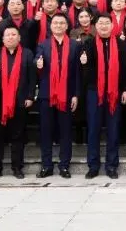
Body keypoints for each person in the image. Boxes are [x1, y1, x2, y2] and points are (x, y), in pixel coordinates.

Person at [82, 14, 126, 179]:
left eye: (106, 23)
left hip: (115, 92)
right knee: (93, 129)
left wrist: (125, 90)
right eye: (100, 23)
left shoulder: (121, 44)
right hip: (94, 92)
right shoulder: (88, 43)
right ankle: (93, 166)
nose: (103, 26)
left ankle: (111, 166)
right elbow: (84, 70)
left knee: (113, 129)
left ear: (112, 25)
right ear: (95, 26)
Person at [0, 25, 36, 178]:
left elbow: (32, 77)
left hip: (19, 100)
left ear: (19, 38)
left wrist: (30, 96)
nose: (10, 37)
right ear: (3, 39)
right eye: (7, 35)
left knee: (17, 135)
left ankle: (17, 167)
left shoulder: (27, 53)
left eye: (14, 34)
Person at [35, 14, 81, 178]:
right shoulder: (43, 44)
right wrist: (38, 64)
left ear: (67, 26)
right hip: (47, 94)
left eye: (62, 23)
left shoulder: (75, 45)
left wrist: (76, 94)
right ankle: (46, 165)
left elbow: (77, 72)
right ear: (51, 26)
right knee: (46, 131)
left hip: (67, 94)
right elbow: (37, 60)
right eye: (55, 23)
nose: (59, 25)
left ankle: (64, 166)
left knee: (65, 131)